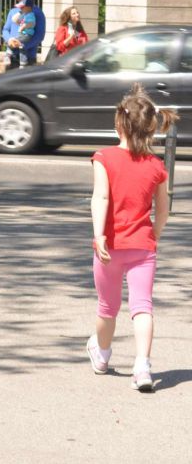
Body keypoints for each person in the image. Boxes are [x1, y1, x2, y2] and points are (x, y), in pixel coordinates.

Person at [87, 83, 176, 392]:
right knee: (142, 307)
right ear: (151, 128)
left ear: (119, 125)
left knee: (107, 308)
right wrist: (155, 235)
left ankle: (102, 355)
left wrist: (99, 235)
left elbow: (101, 198)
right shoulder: (156, 166)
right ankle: (143, 366)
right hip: (143, 246)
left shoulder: (104, 158)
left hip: (109, 246)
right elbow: (164, 209)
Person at [1, 0, 46, 69]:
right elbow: (5, 30)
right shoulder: (13, 11)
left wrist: (22, 45)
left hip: (28, 59)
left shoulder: (38, 13)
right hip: (12, 57)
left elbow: (40, 36)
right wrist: (9, 40)